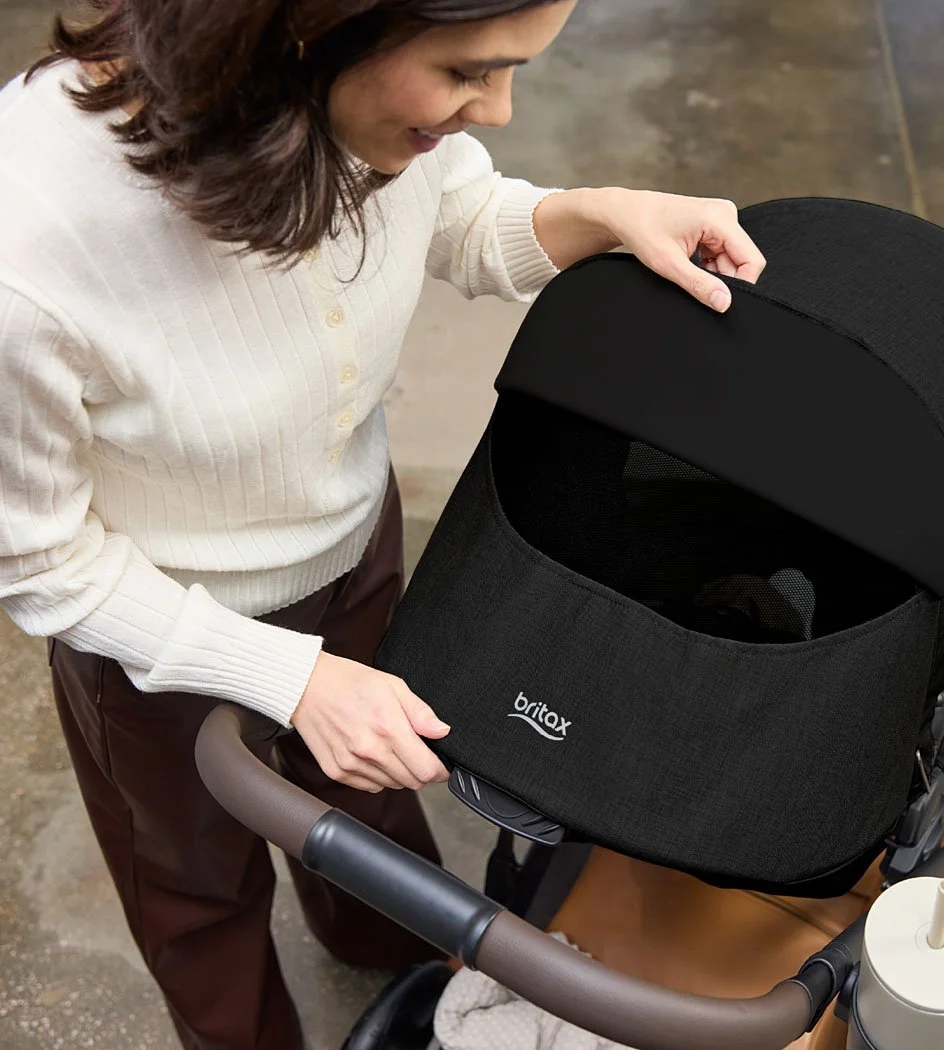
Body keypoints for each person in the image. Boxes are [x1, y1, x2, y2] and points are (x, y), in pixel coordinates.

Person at [0, 1, 766, 1047]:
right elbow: (38, 559)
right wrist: (290, 680)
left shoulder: (368, 121)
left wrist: (603, 214)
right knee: (194, 884)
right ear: (316, 27)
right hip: (161, 640)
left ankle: (397, 963)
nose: (497, 110)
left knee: (370, 799)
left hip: (354, 545)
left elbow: (454, 217)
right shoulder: (31, 243)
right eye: (468, 70)